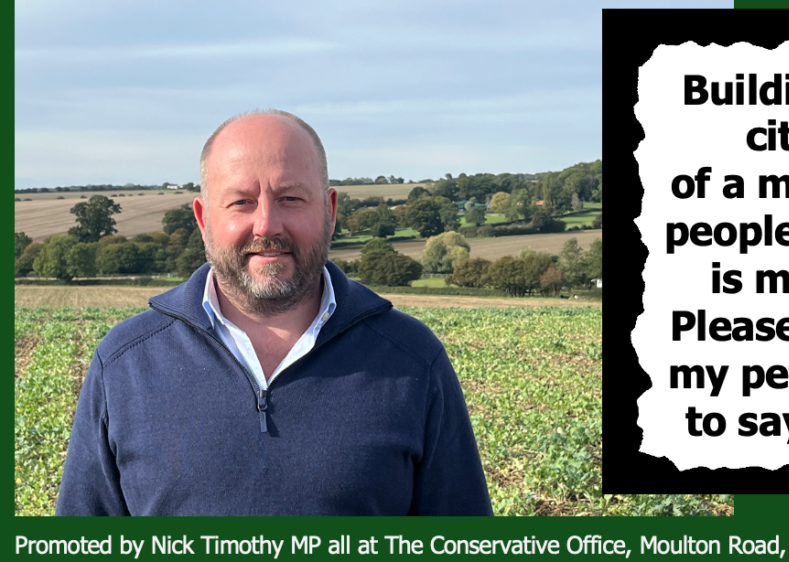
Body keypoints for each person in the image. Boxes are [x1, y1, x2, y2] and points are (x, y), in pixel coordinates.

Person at [55, 110, 493, 516]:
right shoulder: (125, 364)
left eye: (290, 198)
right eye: (242, 202)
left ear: (330, 210)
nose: (266, 225)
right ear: (204, 219)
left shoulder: (412, 360)